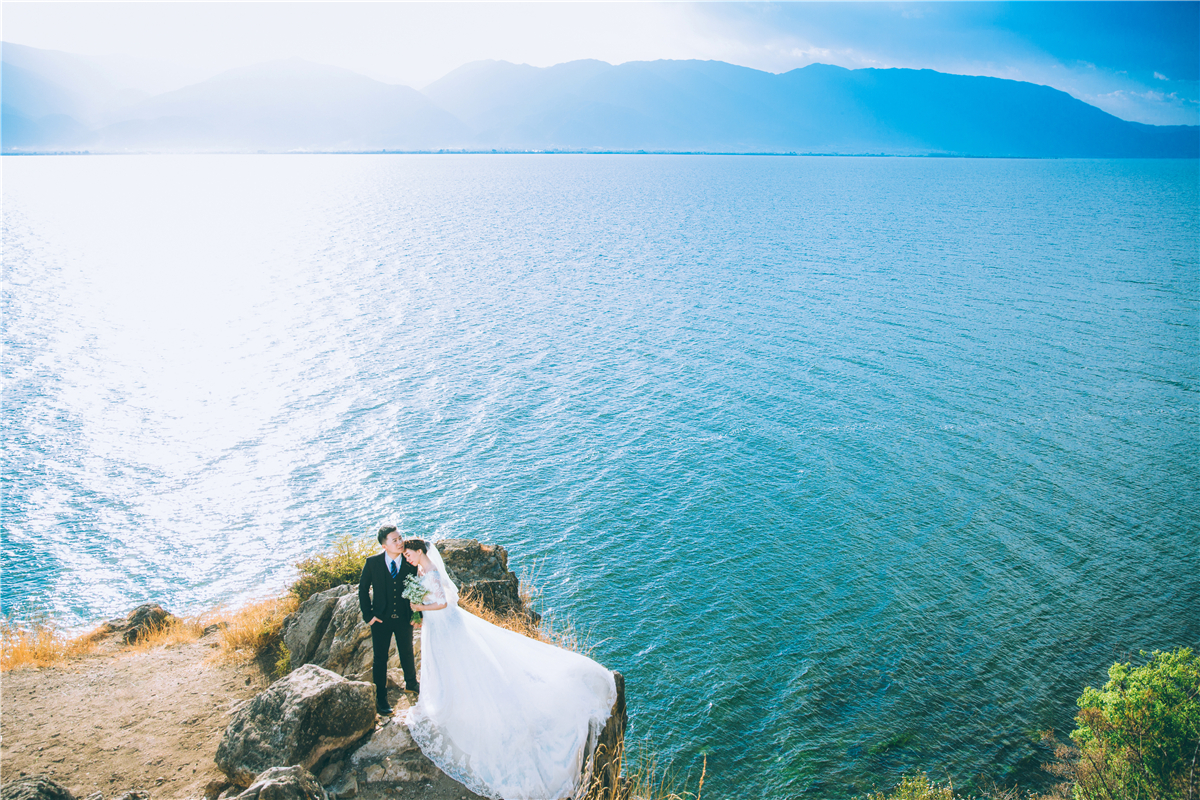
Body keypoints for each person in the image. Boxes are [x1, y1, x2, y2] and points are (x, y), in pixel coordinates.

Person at [401, 538, 617, 800]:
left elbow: (444, 603)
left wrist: (418, 607)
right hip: (437, 626)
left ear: (421, 551)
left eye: (410, 554)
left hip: (445, 623)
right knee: (447, 665)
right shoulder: (421, 570)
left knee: (459, 665)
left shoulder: (432, 570)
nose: (408, 558)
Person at [357, 525, 420, 715]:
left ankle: (411, 684)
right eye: (395, 540)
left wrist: (417, 615)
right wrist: (369, 616)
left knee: (407, 652)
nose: (400, 542)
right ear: (384, 545)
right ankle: (381, 698)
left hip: (403, 618)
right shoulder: (372, 563)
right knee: (380, 659)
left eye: (400, 538)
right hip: (380, 620)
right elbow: (363, 590)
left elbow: (417, 589)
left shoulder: (410, 562)